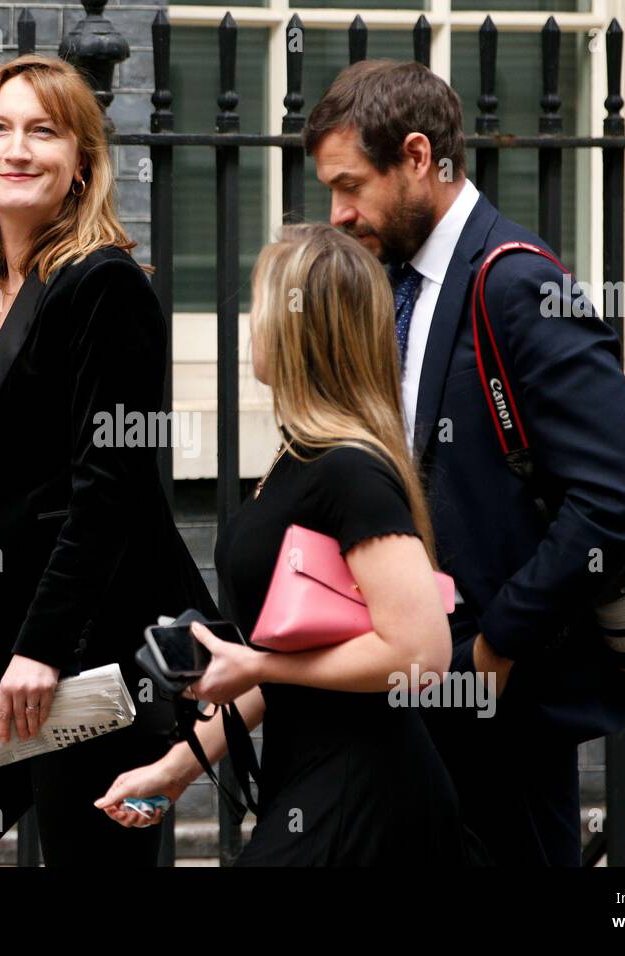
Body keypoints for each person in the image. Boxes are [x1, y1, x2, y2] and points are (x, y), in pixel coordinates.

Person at [298, 60, 625, 865]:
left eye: (351, 185)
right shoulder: (397, 279)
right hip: (423, 693)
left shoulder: (520, 283)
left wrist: (498, 643)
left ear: (419, 156)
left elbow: (618, 494)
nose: (339, 213)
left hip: (507, 702)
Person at [0, 54, 217, 867]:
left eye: (43, 131)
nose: (16, 149)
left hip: (90, 662)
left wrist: (42, 649)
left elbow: (111, 489)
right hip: (2, 670)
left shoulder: (104, 286)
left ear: (82, 164)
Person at [95, 223, 479, 866]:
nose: (252, 325)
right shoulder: (299, 457)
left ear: (304, 331)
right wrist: (176, 767)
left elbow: (422, 652)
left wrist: (261, 665)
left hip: (365, 792)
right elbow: (281, 656)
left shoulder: (349, 470)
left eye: (262, 308)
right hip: (311, 782)